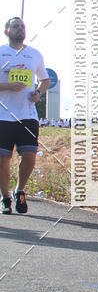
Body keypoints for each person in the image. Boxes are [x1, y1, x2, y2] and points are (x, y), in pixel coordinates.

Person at [0, 17, 49, 214]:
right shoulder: (1, 53)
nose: (20, 29)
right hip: (3, 114)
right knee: (2, 159)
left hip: (27, 114)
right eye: (15, 26)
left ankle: (20, 190)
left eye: (22, 26)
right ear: (6, 31)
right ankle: (5, 197)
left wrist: (38, 92)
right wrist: (8, 86)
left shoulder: (34, 54)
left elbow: (44, 80)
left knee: (29, 156)